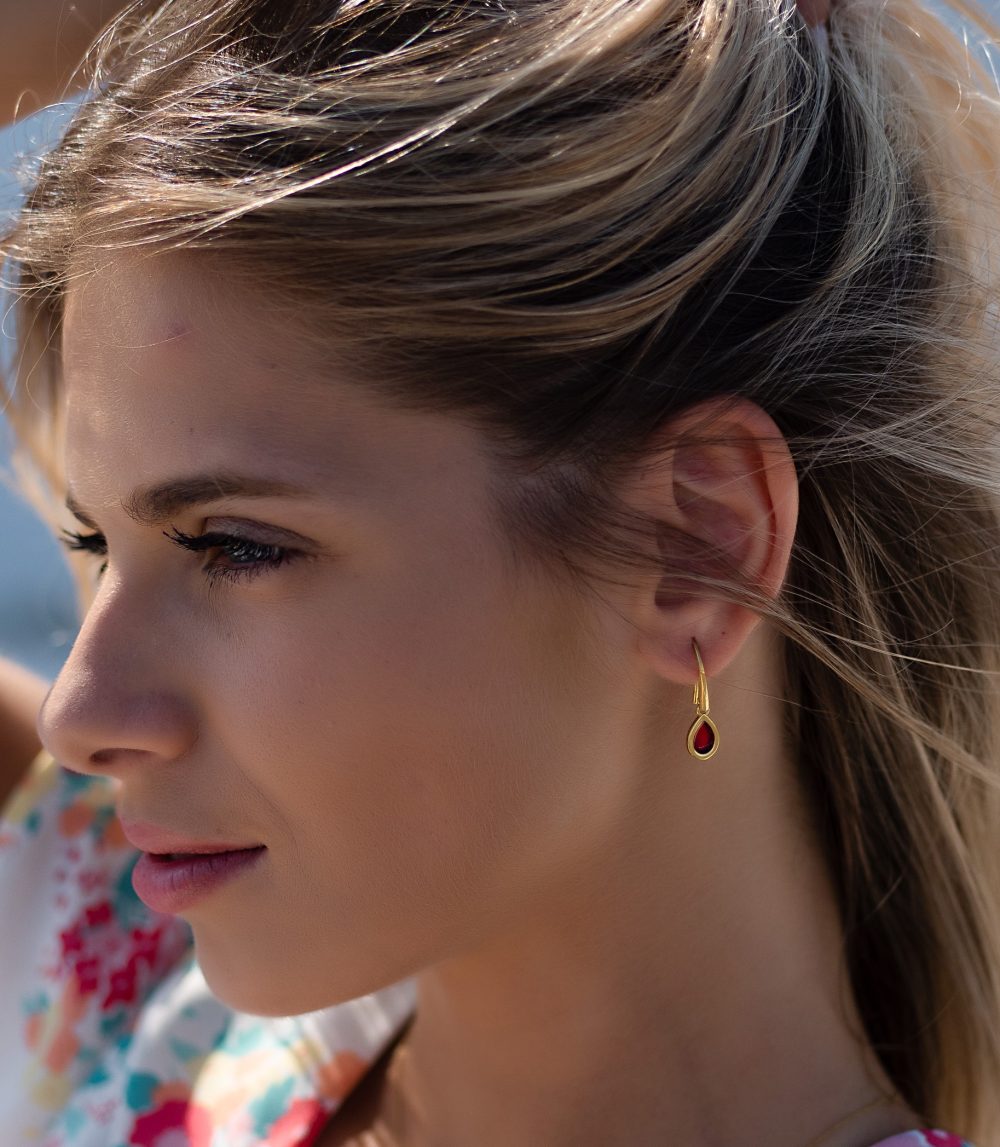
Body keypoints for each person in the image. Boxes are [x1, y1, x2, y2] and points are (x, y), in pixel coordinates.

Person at [1, 0, 999, 1143]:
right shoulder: (130, 990)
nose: (83, 715)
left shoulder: (124, 994)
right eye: (95, 543)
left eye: (236, 546)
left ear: (698, 545)